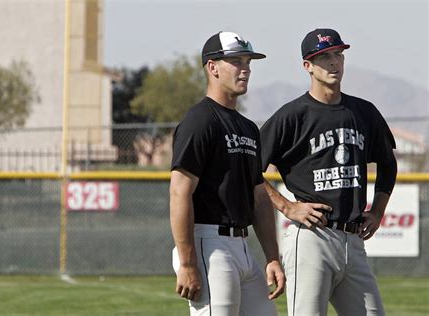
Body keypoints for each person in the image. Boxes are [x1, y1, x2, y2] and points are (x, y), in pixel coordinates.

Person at [260, 28, 397, 316]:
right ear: (307, 66)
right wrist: (287, 207)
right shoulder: (292, 115)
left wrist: (378, 211)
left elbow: (388, 163)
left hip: (353, 238)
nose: (334, 62)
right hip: (312, 238)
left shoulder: (363, 111)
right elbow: (247, 168)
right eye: (323, 57)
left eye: (338, 54)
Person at [169, 31, 285, 315]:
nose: (245, 68)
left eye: (247, 61)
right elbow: (179, 191)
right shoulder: (200, 121)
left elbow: (258, 196)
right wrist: (187, 263)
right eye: (235, 61)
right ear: (213, 67)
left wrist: (272, 257)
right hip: (210, 244)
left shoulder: (248, 128)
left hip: (243, 247)